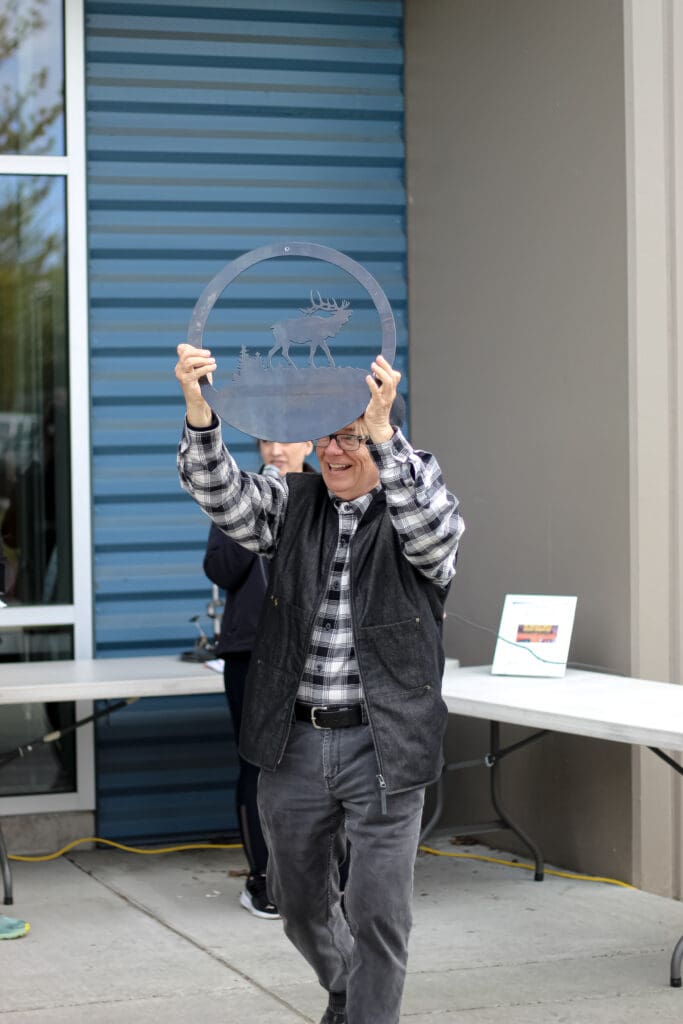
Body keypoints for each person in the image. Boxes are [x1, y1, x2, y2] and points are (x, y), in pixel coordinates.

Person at [175, 343, 464, 1024]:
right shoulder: (293, 502)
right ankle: (345, 989)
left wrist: (383, 432)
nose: (333, 452)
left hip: (384, 745)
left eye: (351, 438)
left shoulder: (417, 511)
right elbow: (220, 493)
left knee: (377, 912)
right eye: (327, 437)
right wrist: (199, 410)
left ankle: (367, 1012)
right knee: (298, 905)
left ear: (384, 441)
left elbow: (430, 530)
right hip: (296, 744)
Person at [203, 438, 314, 920]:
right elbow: (220, 569)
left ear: (309, 442)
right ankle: (262, 877)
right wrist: (253, 514)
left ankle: (322, 874)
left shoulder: (329, 493)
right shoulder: (240, 493)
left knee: (322, 760)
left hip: (316, 650)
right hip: (250, 648)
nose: (276, 449)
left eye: (286, 439)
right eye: (267, 440)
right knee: (257, 762)